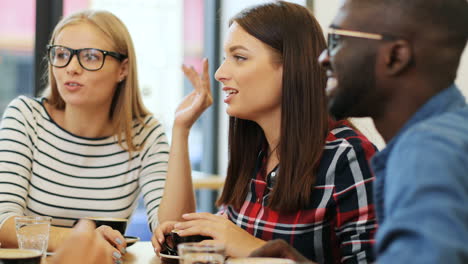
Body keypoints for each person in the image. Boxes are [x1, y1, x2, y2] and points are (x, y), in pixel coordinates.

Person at [153, 2, 377, 263]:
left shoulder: (346, 156)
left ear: (291, 67)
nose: (219, 73)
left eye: (239, 57)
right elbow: (189, 234)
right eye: (225, 58)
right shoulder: (256, 152)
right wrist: (181, 129)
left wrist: (250, 248)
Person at [251, 0, 468, 263]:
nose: (323, 58)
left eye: (338, 41)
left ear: (395, 56)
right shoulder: (447, 135)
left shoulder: (427, 154)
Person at [0, 10, 196, 263]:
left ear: (123, 69)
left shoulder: (144, 134)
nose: (71, 68)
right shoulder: (26, 117)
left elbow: (174, 233)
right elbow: (3, 222)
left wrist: (181, 129)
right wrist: (84, 240)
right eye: (61, 55)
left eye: (90, 57)